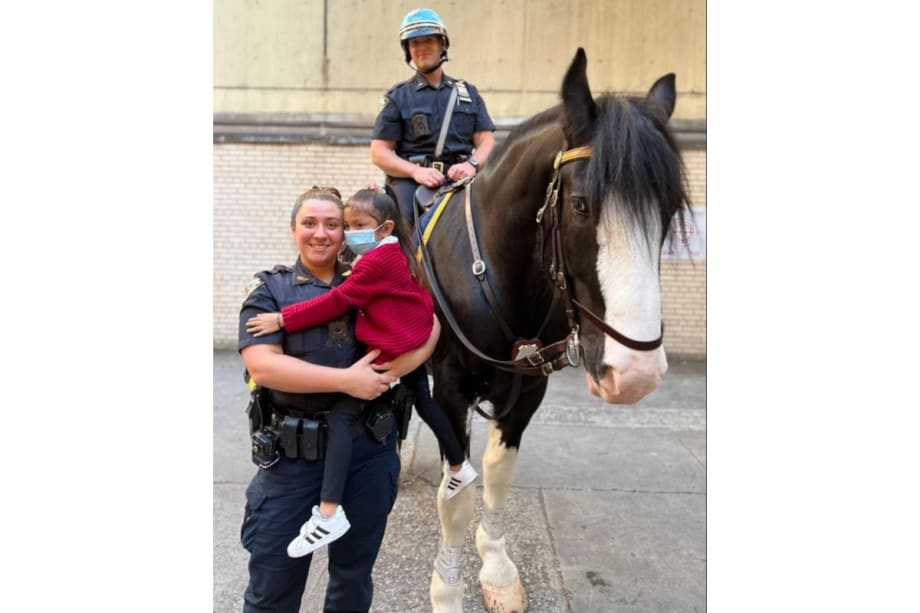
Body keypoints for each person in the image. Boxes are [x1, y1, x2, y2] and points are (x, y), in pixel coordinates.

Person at [238, 185, 440, 613]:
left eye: (333, 224)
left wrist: (398, 368)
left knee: (352, 581)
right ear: (293, 229)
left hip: (369, 453)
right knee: (272, 587)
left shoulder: (373, 278)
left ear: (347, 232)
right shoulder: (271, 290)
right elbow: (264, 367)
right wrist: (347, 381)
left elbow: (429, 324)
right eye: (310, 223)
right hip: (293, 461)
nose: (322, 233)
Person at [370, 7, 496, 225]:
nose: (421, 48)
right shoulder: (398, 97)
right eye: (414, 43)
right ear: (408, 50)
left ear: (442, 45)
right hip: (412, 184)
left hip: (462, 178)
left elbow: (487, 142)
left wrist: (471, 165)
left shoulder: (468, 93)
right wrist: (415, 172)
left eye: (428, 40)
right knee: (400, 226)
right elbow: (379, 151)